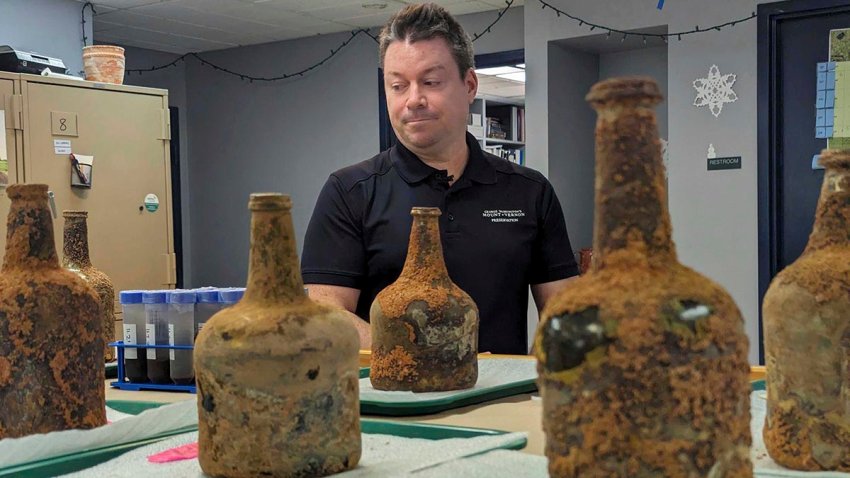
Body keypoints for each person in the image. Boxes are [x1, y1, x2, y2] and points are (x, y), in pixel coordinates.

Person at [301, 2, 578, 355]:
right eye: (398, 86)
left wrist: (541, 380)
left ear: (469, 85)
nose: (413, 100)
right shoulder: (349, 191)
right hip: (390, 405)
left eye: (431, 82)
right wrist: (430, 358)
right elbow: (327, 315)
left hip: (502, 404)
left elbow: (563, 314)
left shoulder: (530, 192)